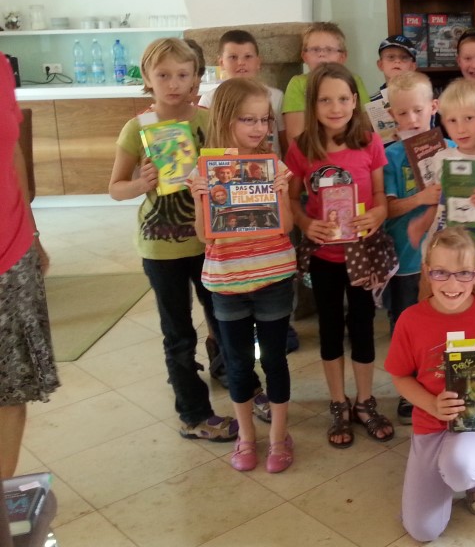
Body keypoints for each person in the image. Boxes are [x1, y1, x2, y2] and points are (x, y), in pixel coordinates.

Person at [109, 38, 237, 442]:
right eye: (163, 75)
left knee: (227, 321)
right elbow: (115, 188)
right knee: (178, 333)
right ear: (147, 78)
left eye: (182, 74)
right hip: (160, 248)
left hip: (209, 242)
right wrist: (140, 183)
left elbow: (230, 172)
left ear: (196, 77)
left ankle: (245, 390)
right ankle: (193, 413)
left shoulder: (208, 120)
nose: (173, 83)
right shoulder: (138, 128)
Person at [385, 227, 475, 542]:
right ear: (426, 272)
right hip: (430, 424)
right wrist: (431, 405)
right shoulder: (410, 320)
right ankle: (447, 472)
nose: (452, 284)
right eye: (441, 273)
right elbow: (400, 376)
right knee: (422, 531)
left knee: (461, 469)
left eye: (463, 274)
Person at [188, 78, 297, 473]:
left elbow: (286, 225)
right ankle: (247, 437)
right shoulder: (205, 172)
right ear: (224, 119)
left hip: (273, 277)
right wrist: (200, 196)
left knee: (275, 359)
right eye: (247, 119)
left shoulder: (274, 167)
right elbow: (204, 235)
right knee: (237, 363)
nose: (259, 128)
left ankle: (279, 436)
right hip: (227, 281)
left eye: (264, 119)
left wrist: (281, 192)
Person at [285, 63, 393, 448]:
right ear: (312, 105)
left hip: (362, 252)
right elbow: (292, 198)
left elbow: (379, 195)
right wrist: (304, 222)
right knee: (330, 329)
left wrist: (379, 213)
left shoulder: (369, 141)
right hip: (324, 256)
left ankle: (365, 401)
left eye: (343, 99)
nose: (335, 108)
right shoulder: (302, 148)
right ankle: (337, 402)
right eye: (325, 100)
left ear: (355, 101)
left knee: (362, 326)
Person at [0, 51, 59, 479]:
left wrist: (33, 233)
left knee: (11, 387)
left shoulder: (0, 67)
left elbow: (13, 154)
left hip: (12, 247)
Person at [382, 71, 454, 421]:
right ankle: (409, 391)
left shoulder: (452, 149)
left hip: (448, 260)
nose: (411, 119)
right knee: (407, 326)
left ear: (434, 107)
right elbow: (386, 209)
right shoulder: (391, 156)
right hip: (406, 261)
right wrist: (420, 199)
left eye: (418, 110)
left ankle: (449, 384)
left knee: (448, 324)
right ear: (391, 114)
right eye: (402, 113)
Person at [419, 78, 475, 304]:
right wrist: (423, 211)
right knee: (431, 317)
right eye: (452, 120)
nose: (460, 128)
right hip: (436, 261)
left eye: (469, 118)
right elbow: (434, 207)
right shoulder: (440, 159)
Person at [199, 29, 286, 157]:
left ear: (258, 62)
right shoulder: (209, 99)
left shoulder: (276, 96)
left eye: (248, 56)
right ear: (221, 63)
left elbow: (285, 142)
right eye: (233, 57)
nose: (241, 63)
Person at [282, 22, 370, 145]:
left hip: (351, 147)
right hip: (312, 151)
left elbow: (366, 125)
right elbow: (295, 135)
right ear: (305, 56)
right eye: (315, 49)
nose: (322, 54)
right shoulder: (298, 84)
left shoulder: (354, 80)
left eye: (329, 49)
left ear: (342, 57)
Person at [369, 34, 418, 102]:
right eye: (391, 57)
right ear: (380, 65)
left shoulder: (423, 99)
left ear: (412, 66)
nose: (397, 61)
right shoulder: (371, 102)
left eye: (404, 57)